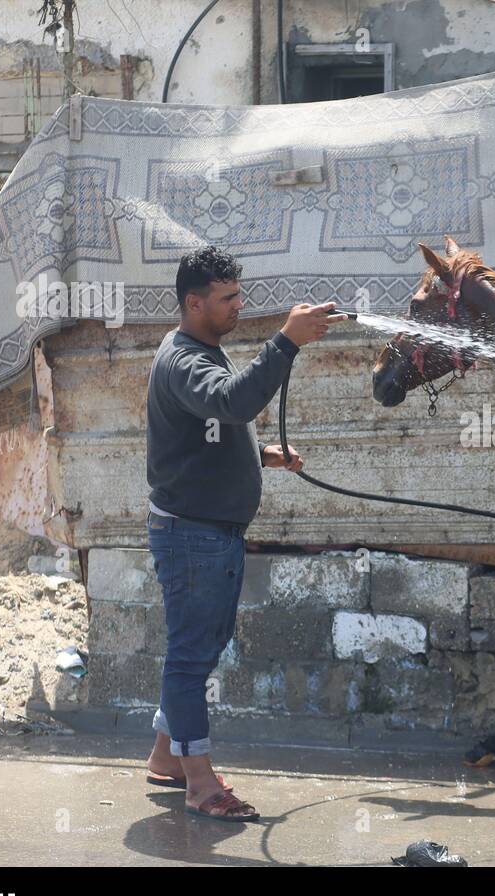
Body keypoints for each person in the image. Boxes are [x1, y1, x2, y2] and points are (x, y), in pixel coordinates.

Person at [143, 245, 345, 821]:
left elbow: (206, 432)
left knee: (199, 648)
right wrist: (286, 342)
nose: (239, 305)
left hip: (207, 533)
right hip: (192, 536)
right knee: (189, 656)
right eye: (227, 297)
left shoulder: (201, 352)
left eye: (238, 293)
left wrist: (259, 454)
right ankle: (201, 786)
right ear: (193, 301)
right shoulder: (185, 360)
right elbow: (232, 402)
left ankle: (167, 756)